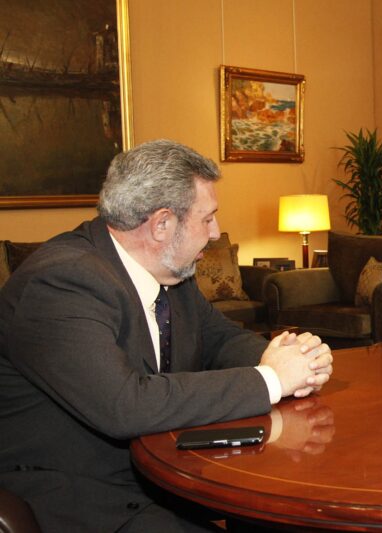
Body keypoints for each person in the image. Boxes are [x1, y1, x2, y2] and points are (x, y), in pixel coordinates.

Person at [0, 140, 334, 532]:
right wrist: (272, 379)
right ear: (162, 224)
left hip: (161, 470)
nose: (216, 233)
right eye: (207, 219)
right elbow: (125, 405)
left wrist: (290, 358)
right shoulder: (61, 282)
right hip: (83, 495)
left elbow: (221, 339)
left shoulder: (169, 272)